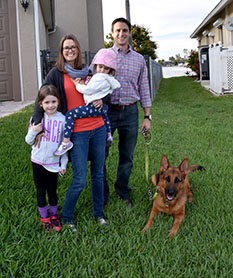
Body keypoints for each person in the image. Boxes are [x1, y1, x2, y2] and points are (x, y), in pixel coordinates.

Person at [32, 34, 107, 232]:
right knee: (80, 179)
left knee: (98, 174)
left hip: (98, 127)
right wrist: (36, 124)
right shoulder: (57, 73)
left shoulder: (89, 71)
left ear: (78, 49)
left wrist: (102, 100)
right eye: (66, 48)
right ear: (61, 51)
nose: (70, 50)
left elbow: (103, 89)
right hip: (77, 131)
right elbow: (40, 97)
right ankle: (67, 216)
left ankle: (98, 213)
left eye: (73, 47)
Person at [103, 18, 152, 206]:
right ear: (112, 33)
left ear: (129, 32)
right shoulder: (104, 55)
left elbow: (144, 88)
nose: (121, 34)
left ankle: (122, 191)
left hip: (131, 113)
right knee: (102, 155)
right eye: (117, 30)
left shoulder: (139, 59)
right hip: (107, 113)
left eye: (124, 30)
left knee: (127, 156)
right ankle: (103, 194)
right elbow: (92, 81)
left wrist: (147, 116)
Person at [54, 48, 120, 156]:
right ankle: (109, 133)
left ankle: (66, 141)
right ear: (96, 66)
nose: (102, 70)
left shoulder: (100, 77)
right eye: (100, 67)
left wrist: (77, 85)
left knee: (70, 114)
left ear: (110, 70)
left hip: (92, 107)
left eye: (105, 68)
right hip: (100, 107)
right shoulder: (106, 78)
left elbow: (88, 90)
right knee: (105, 115)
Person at [25, 85, 68, 232]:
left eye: (53, 102)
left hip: (53, 162)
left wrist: (63, 164)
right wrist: (34, 131)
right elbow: (28, 141)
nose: (50, 106)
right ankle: (44, 217)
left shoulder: (63, 120)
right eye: (47, 102)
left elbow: (64, 145)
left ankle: (54, 215)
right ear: (40, 104)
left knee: (52, 190)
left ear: (58, 102)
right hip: (37, 161)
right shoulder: (37, 119)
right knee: (40, 190)